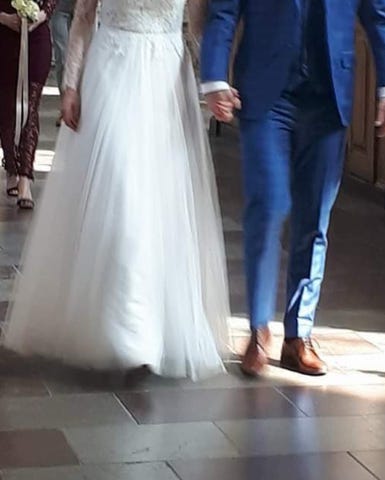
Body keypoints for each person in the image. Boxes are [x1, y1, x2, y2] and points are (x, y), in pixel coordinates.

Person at [1, 0, 230, 381]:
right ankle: (128, 327)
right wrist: (71, 85)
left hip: (166, 82)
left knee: (157, 205)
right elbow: (84, 17)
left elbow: (200, 25)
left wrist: (213, 83)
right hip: (112, 71)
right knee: (122, 194)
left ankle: (149, 327)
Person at [201, 0, 385, 376]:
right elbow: (224, 12)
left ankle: (299, 336)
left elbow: (380, 17)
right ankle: (258, 329)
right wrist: (214, 77)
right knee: (268, 205)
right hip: (266, 91)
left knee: (313, 218)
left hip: (329, 95)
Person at [0, 0, 56, 209]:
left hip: (36, 37)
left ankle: (25, 176)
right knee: (6, 108)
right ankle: (11, 166)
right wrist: (4, 18)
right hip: (4, 36)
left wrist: (40, 15)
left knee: (30, 106)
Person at [51, 0, 76, 126]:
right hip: (60, 7)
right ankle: (65, 106)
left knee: (84, 57)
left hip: (86, 6)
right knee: (62, 57)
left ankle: (78, 105)